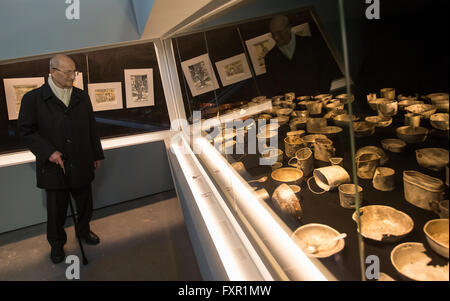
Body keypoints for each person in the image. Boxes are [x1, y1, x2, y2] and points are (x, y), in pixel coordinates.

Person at [18, 54, 104, 264]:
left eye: (74, 71)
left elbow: (91, 127)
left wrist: (95, 153)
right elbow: (26, 131)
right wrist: (49, 152)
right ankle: (56, 244)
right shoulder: (33, 99)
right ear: (52, 72)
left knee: (85, 202)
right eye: (67, 72)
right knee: (56, 209)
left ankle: (84, 231)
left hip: (82, 160)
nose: (72, 77)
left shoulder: (81, 96)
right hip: (54, 166)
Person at [263, 15, 342, 97]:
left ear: (289, 28)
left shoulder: (312, 44)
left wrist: (321, 93)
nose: (276, 37)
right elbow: (274, 88)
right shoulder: (270, 58)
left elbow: (327, 70)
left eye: (279, 32)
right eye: (273, 34)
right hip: (293, 108)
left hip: (320, 100)